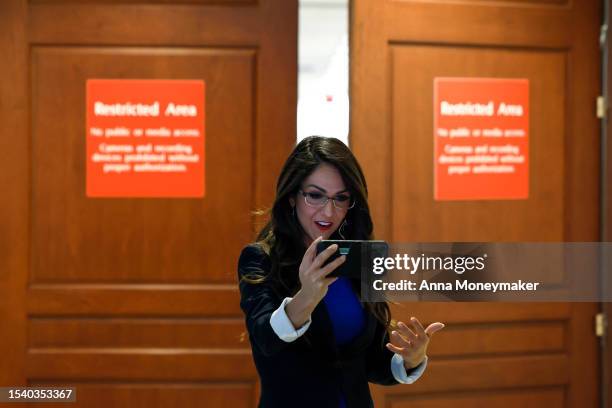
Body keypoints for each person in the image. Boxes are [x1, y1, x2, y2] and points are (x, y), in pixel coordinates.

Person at [237, 136, 444, 408]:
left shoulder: (360, 259)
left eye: (341, 198)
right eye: (315, 195)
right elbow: (266, 339)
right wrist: (307, 295)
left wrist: (410, 360)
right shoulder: (260, 259)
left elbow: (369, 364)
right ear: (291, 197)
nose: (329, 210)